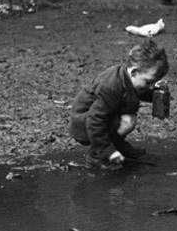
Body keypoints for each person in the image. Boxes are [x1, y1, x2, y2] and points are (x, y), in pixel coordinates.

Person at [69, 39, 169, 167]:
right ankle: (96, 154)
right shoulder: (111, 86)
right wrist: (105, 150)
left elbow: (137, 92)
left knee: (127, 118)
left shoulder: (128, 78)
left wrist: (157, 94)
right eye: (148, 82)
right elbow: (95, 120)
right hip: (85, 124)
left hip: (103, 118)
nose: (150, 86)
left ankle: (117, 146)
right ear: (134, 72)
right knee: (127, 121)